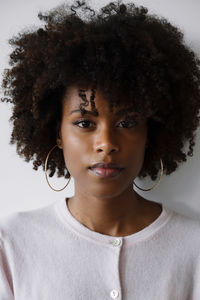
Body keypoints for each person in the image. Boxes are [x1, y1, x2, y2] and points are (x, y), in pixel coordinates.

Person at [1, 0, 200, 298]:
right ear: (57, 132)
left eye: (127, 122)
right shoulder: (12, 244)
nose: (106, 143)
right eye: (84, 123)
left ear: (151, 132)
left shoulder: (193, 248)